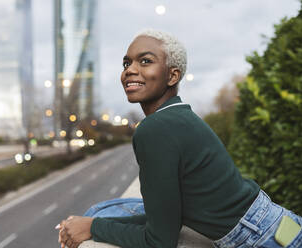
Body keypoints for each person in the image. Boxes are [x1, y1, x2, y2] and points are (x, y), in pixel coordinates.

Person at [56, 29, 302, 248]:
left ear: (172, 76)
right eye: (126, 63)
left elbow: (159, 241)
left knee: (102, 212)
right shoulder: (181, 116)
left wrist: (92, 228)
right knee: (103, 211)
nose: (130, 70)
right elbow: (164, 216)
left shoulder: (154, 129)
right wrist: (92, 223)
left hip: (263, 239)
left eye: (145, 61)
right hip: (279, 225)